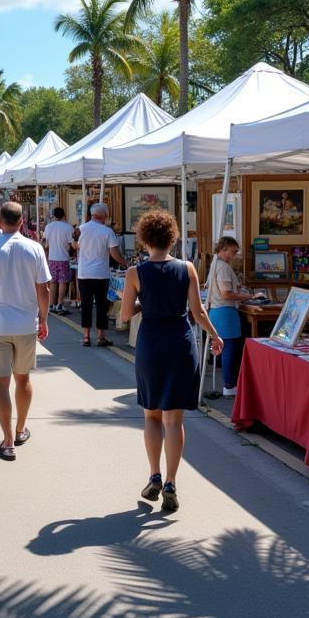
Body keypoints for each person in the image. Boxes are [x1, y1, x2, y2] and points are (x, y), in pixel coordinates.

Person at [120, 210, 223, 513]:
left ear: (144, 239)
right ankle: (171, 482)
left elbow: (125, 315)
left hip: (151, 344)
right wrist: (215, 336)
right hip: (180, 343)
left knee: (151, 415)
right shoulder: (187, 268)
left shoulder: (135, 273)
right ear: (172, 237)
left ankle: (153, 474)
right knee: (174, 419)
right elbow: (198, 311)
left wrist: (142, 303)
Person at [0, 201, 51, 461]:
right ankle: (20, 428)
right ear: (22, 222)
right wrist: (44, 319)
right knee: (23, 379)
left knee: (0, 384)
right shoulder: (34, 248)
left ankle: (7, 440)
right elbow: (44, 289)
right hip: (26, 324)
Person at [72, 203, 127, 347]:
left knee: (86, 305)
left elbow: (74, 246)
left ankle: (86, 337)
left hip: (84, 274)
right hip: (101, 274)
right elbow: (114, 252)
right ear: (103, 215)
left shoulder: (81, 229)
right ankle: (101, 337)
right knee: (102, 305)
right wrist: (125, 263)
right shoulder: (106, 231)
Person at [208, 236, 252, 398]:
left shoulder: (215, 264)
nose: (233, 256)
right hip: (225, 312)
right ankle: (230, 385)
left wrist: (238, 288)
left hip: (217, 311)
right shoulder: (224, 268)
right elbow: (226, 293)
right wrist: (247, 297)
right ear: (224, 249)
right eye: (233, 252)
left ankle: (229, 384)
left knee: (225, 349)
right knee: (230, 350)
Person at [41, 206, 75, 316]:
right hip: (63, 257)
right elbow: (71, 244)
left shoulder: (48, 227)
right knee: (62, 281)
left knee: (53, 282)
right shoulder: (68, 227)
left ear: (54, 216)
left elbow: (45, 242)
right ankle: (60, 303)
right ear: (64, 215)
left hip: (52, 257)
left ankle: (51, 304)